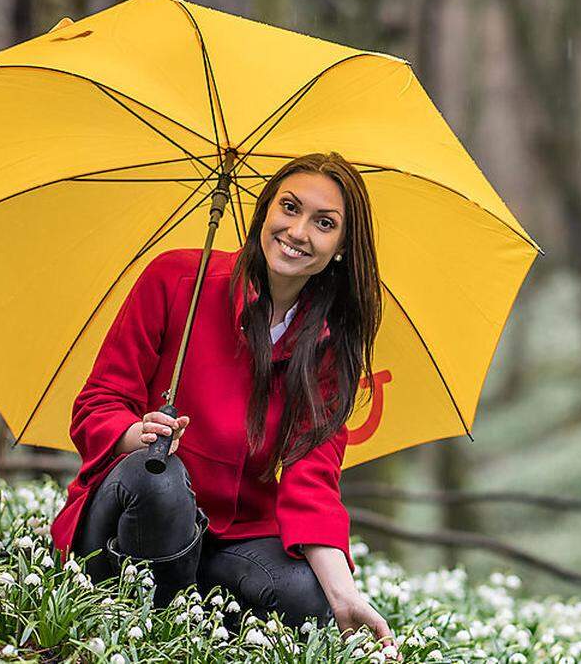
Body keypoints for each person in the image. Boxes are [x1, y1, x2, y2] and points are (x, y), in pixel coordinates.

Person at [49, 152, 394, 644]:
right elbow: (96, 404)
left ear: (341, 246)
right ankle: (154, 630)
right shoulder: (176, 280)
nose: (298, 232)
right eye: (289, 208)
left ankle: (193, 618)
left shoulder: (327, 351)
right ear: (265, 211)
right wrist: (133, 433)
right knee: (160, 480)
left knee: (304, 596)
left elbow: (311, 480)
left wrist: (344, 597)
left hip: (230, 539)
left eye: (324, 223)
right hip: (128, 518)